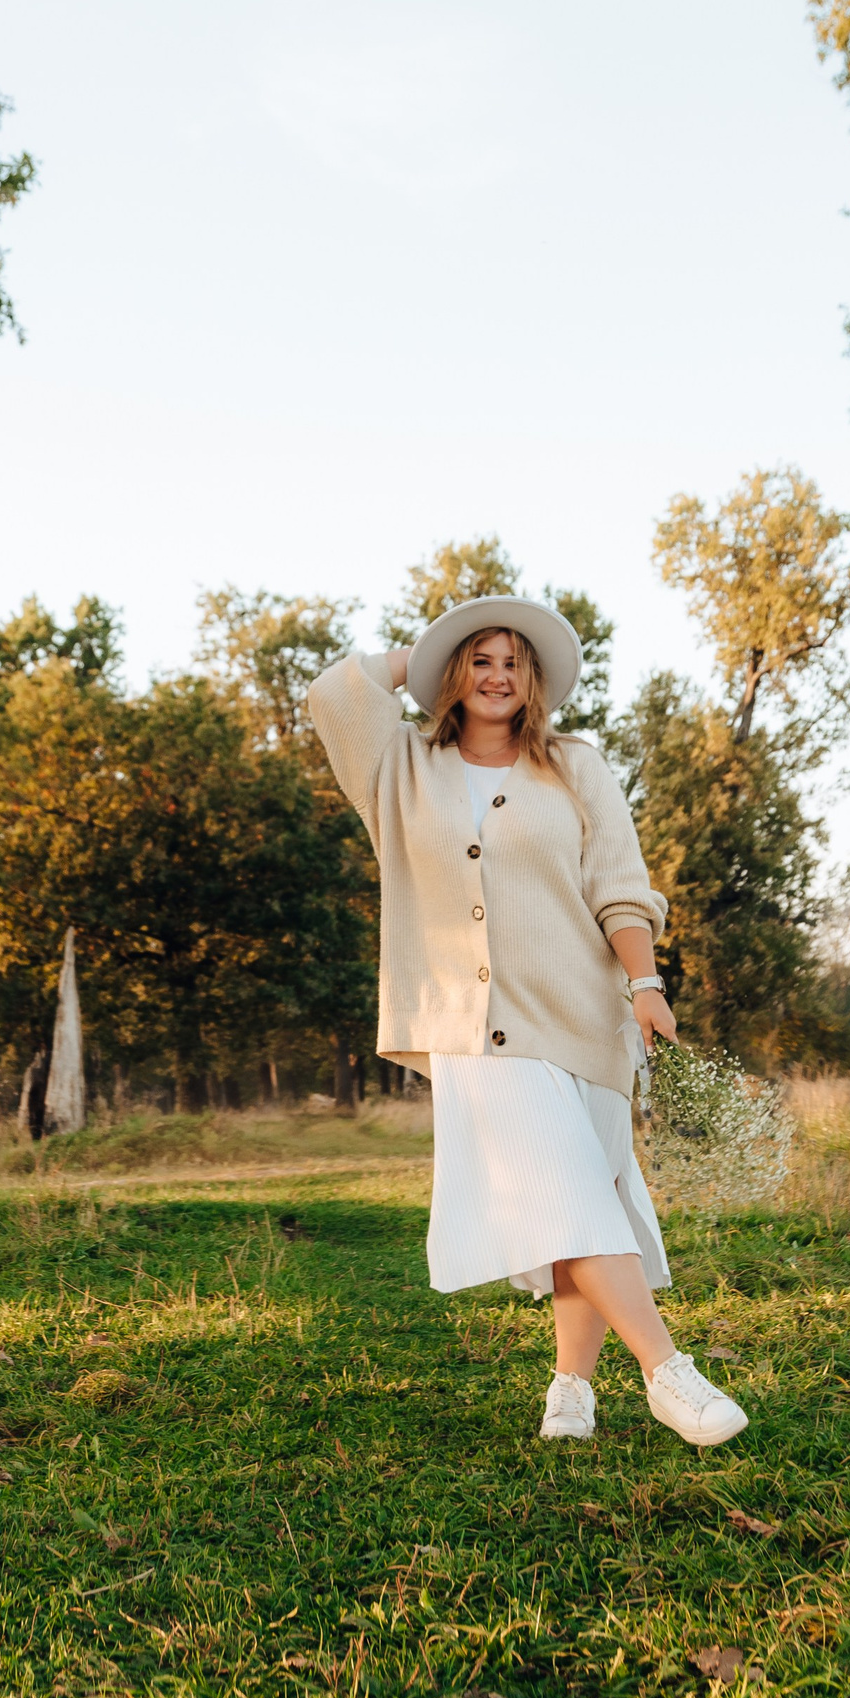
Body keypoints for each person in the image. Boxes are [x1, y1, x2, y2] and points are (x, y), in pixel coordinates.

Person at [308, 596, 748, 1448]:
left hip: (581, 1012)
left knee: (587, 1196)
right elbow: (334, 694)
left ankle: (571, 1391)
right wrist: (428, 649)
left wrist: (645, 984)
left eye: (513, 661)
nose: (498, 675)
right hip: (473, 1025)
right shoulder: (399, 764)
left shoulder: (575, 765)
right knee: (560, 1189)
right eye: (480, 659)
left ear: (534, 679)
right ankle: (668, 1372)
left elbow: (619, 883)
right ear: (453, 673)